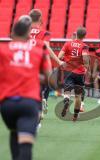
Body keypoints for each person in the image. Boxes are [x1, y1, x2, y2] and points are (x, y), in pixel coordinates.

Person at [0, 16, 52, 160]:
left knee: (14, 131)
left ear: (12, 35)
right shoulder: (38, 49)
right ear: (28, 35)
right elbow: (48, 78)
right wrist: (32, 74)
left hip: (6, 104)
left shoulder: (3, 50)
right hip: (28, 102)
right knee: (26, 144)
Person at [29, 9, 64, 114]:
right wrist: (58, 60)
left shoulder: (23, 31)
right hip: (39, 62)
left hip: (26, 62)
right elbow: (46, 47)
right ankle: (43, 100)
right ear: (40, 19)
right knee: (47, 80)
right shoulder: (45, 33)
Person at [58, 27, 89, 121]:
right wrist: (86, 67)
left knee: (67, 90)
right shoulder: (84, 46)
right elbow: (85, 58)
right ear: (84, 36)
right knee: (78, 96)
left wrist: (66, 60)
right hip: (79, 72)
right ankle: (75, 116)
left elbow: (59, 56)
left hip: (69, 70)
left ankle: (66, 100)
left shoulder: (68, 43)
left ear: (76, 34)